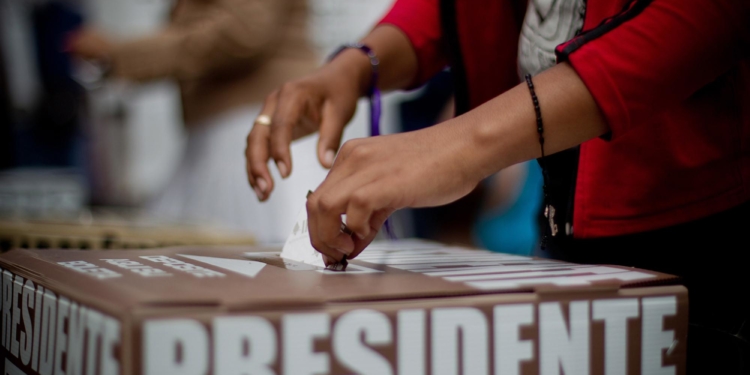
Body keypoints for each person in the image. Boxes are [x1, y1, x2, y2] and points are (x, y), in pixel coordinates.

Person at [245, 0, 750, 372]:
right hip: (572, 234)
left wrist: (458, 147)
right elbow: (457, 11)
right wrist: (354, 66)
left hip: (703, 245)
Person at [68, 0, 318, 242]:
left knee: (252, 263)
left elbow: (243, 31)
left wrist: (119, 54)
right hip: (222, 133)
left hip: (249, 130)